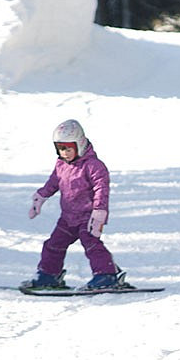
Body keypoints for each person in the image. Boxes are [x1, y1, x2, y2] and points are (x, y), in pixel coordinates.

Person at [21, 119, 124, 290]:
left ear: (80, 144)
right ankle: (49, 275)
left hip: (88, 217)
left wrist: (99, 211)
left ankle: (107, 275)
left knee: (91, 245)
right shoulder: (61, 164)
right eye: (60, 149)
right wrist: (41, 196)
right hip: (68, 218)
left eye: (68, 148)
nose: (65, 153)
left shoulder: (93, 166)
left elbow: (101, 189)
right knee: (53, 244)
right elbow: (54, 182)